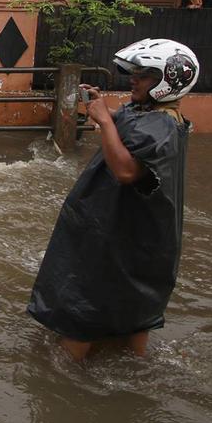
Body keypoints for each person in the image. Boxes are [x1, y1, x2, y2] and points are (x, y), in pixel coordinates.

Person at [27, 38, 199, 361]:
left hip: (120, 244)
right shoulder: (152, 114)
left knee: (81, 320)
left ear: (168, 80)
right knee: (133, 318)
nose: (133, 79)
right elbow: (128, 123)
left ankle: (58, 389)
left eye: (144, 75)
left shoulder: (162, 127)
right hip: (139, 241)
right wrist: (102, 108)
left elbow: (125, 170)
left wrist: (104, 120)